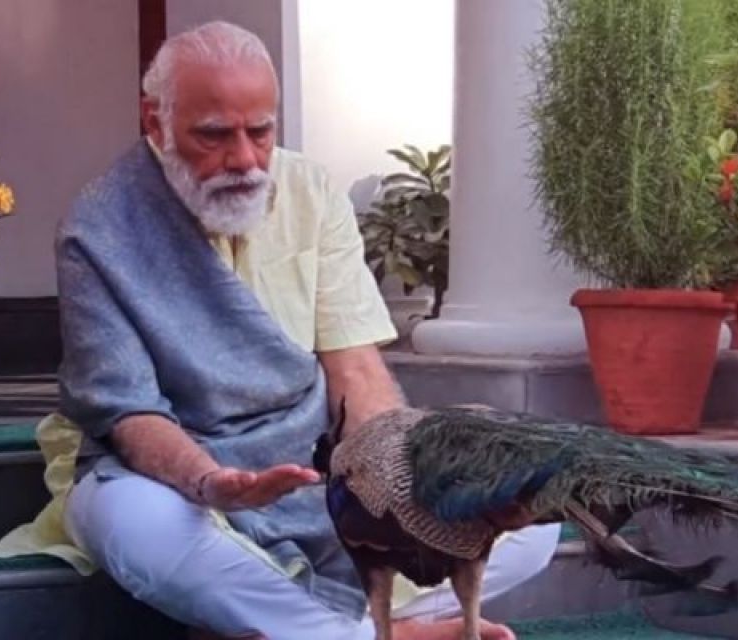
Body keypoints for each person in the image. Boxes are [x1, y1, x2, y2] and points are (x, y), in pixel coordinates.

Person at [37, 20, 560, 640]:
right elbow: (128, 415)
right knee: (140, 527)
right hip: (170, 479)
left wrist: (392, 479)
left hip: (315, 471)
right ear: (155, 123)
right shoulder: (98, 228)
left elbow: (356, 371)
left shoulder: (309, 190)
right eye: (214, 135)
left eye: (260, 132)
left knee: (530, 511)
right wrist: (214, 483)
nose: (244, 159)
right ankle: (384, 632)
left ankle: (311, 629)